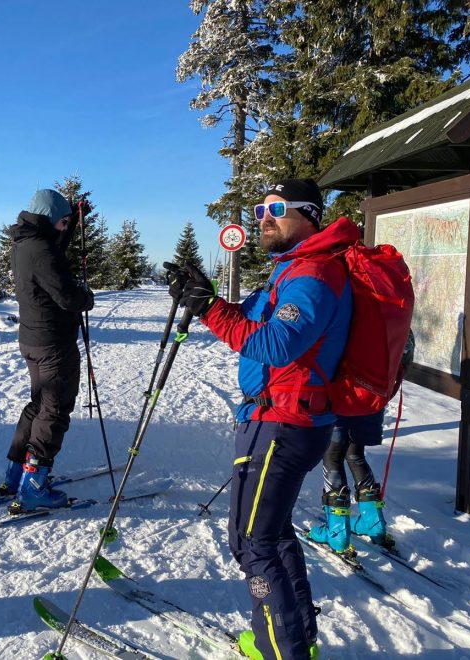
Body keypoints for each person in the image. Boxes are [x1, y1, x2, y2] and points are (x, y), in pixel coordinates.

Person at [173, 178, 360, 660]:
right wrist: (206, 295)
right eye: (259, 209)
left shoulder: (315, 275)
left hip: (283, 424)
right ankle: (293, 637)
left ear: (310, 215)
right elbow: (253, 321)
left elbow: (277, 345)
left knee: (252, 542)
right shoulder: (294, 269)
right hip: (281, 420)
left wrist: (212, 310)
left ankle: (282, 650)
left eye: (276, 208)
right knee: (271, 534)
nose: (264, 217)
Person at [0, 189, 94, 513]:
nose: (66, 228)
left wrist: (76, 221)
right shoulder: (42, 250)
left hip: (33, 340)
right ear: (52, 219)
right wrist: (86, 298)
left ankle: (15, 475)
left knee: (38, 405)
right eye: (64, 222)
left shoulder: (26, 242)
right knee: (54, 410)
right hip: (54, 343)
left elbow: (53, 250)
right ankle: (34, 485)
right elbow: (67, 296)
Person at [309, 330, 415, 553]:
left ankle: (337, 532)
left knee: (332, 456)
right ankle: (373, 523)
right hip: (371, 400)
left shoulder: (346, 303)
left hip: (341, 395)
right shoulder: (385, 312)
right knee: (355, 454)